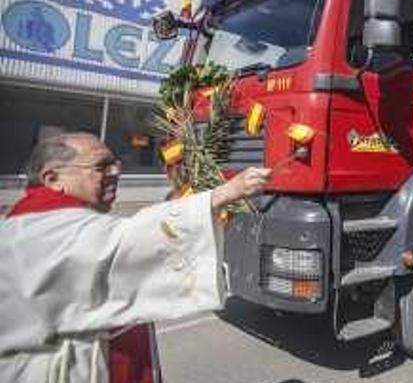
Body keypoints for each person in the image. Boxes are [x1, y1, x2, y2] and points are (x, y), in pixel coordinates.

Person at [0, 132, 270, 383]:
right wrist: (224, 193)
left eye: (115, 163)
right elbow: (130, 238)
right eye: (101, 166)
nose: (116, 172)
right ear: (52, 179)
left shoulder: (42, 221)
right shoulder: (41, 230)